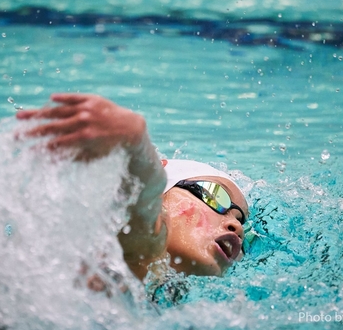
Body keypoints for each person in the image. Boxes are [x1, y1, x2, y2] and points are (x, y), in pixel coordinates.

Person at [16, 93, 249, 282]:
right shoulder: (128, 254)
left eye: (241, 221)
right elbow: (144, 215)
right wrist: (135, 144)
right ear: (163, 194)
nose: (236, 225)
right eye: (216, 197)